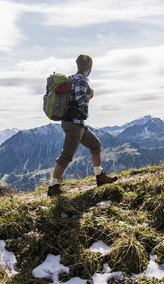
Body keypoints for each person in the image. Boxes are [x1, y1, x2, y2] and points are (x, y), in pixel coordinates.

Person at [48, 54, 118, 196]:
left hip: (74, 123)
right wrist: (90, 96)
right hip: (74, 123)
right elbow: (80, 100)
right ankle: (53, 187)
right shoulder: (81, 80)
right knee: (66, 155)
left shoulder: (72, 78)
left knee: (95, 145)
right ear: (90, 68)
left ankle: (100, 177)